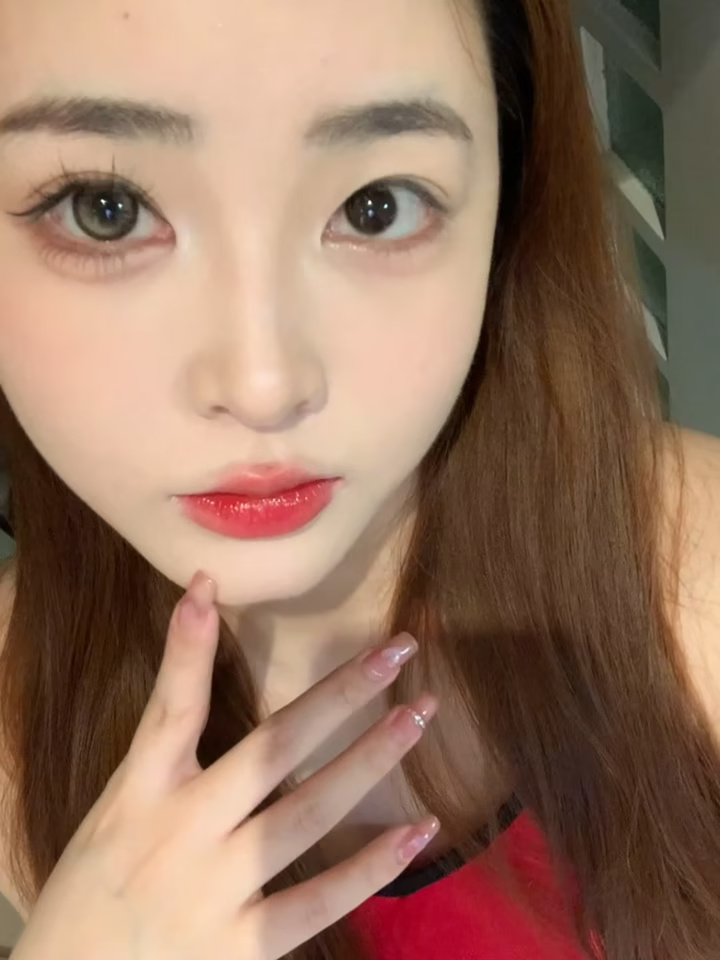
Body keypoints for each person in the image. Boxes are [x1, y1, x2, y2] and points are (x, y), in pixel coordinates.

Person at [0, 0, 718, 957]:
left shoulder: (694, 585)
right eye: (105, 208)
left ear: (506, 210)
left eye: (378, 205)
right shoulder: (17, 714)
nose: (263, 384)